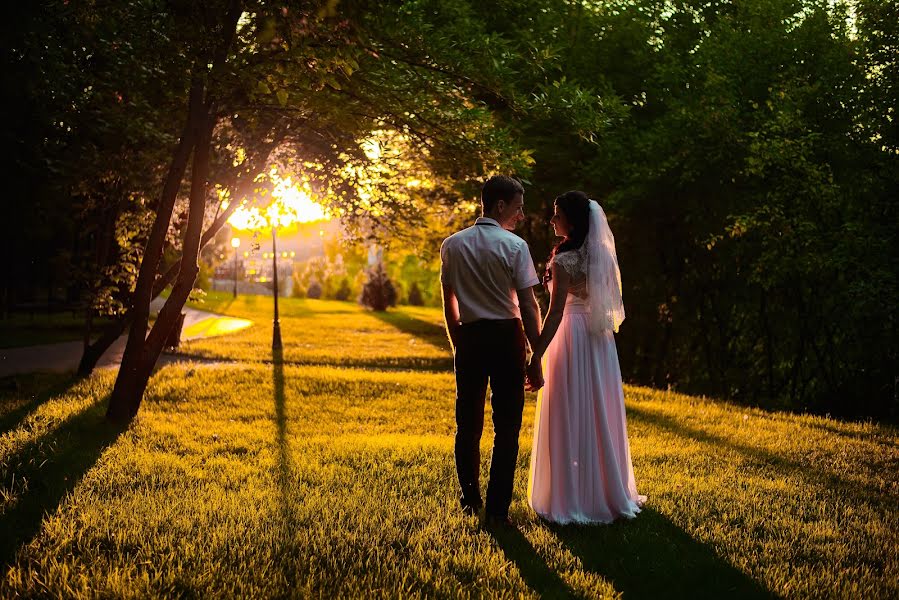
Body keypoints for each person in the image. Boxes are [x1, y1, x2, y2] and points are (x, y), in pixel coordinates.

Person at [527, 190, 645, 524]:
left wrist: (537, 354)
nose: (552, 220)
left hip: (571, 334)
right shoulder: (602, 255)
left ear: (573, 221)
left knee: (570, 408)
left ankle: (572, 497)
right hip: (599, 339)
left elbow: (554, 314)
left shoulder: (564, 261)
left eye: (557, 214)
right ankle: (606, 490)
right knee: (597, 409)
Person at [440, 175, 544, 525]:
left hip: (469, 337)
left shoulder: (452, 245)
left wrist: (458, 340)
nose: (521, 215)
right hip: (505, 337)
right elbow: (528, 306)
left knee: (467, 423)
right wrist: (537, 354)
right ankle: (497, 510)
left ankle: (470, 499)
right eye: (518, 207)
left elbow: (448, 298)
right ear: (500, 205)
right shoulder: (515, 247)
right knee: (507, 426)